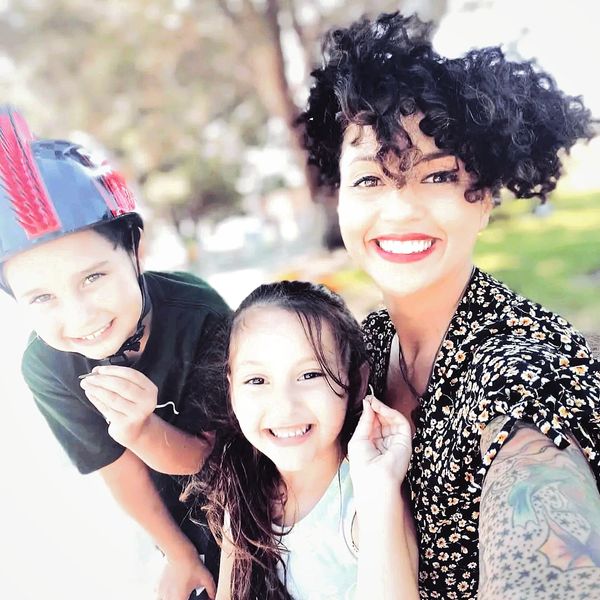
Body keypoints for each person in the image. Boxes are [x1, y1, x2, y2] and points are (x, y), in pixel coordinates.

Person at [297, 12, 600, 599]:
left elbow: (546, 519)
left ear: (483, 198)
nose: (401, 210)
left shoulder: (527, 373)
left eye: (436, 177)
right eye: (369, 180)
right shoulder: (372, 342)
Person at [0, 106, 230, 600]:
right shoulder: (46, 363)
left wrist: (143, 429)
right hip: (170, 515)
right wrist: (179, 554)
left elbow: (208, 455)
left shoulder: (198, 314)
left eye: (93, 277)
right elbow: (116, 468)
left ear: (134, 250)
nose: (80, 316)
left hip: (243, 494)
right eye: (42, 298)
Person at [185, 280, 419, 599]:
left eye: (310, 375)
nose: (285, 405)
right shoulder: (243, 484)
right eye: (257, 380)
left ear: (356, 381)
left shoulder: (365, 502)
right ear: (231, 390)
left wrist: (379, 490)